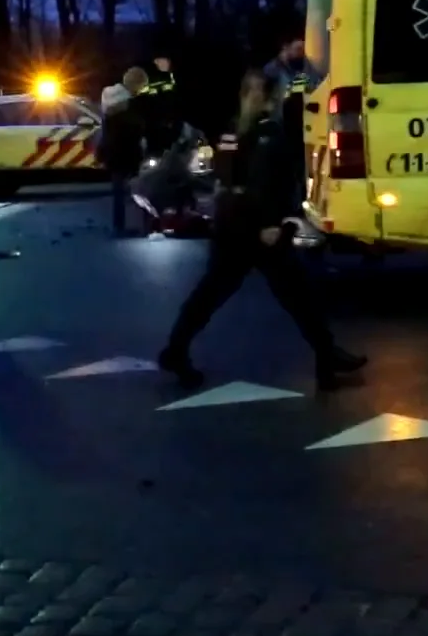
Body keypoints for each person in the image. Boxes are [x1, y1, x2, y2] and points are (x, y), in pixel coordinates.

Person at [158, 70, 366, 392]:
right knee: (296, 293)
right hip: (257, 228)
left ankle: (176, 349)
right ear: (272, 98)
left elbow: (225, 175)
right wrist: (271, 223)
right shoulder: (269, 133)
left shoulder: (232, 130)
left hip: (231, 224)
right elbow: (264, 180)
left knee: (213, 293)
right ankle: (327, 358)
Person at [101, 66, 150, 238]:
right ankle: (143, 225)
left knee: (118, 192)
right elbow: (136, 128)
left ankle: (119, 226)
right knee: (140, 188)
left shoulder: (108, 98)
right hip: (129, 151)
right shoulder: (130, 103)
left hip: (113, 151)